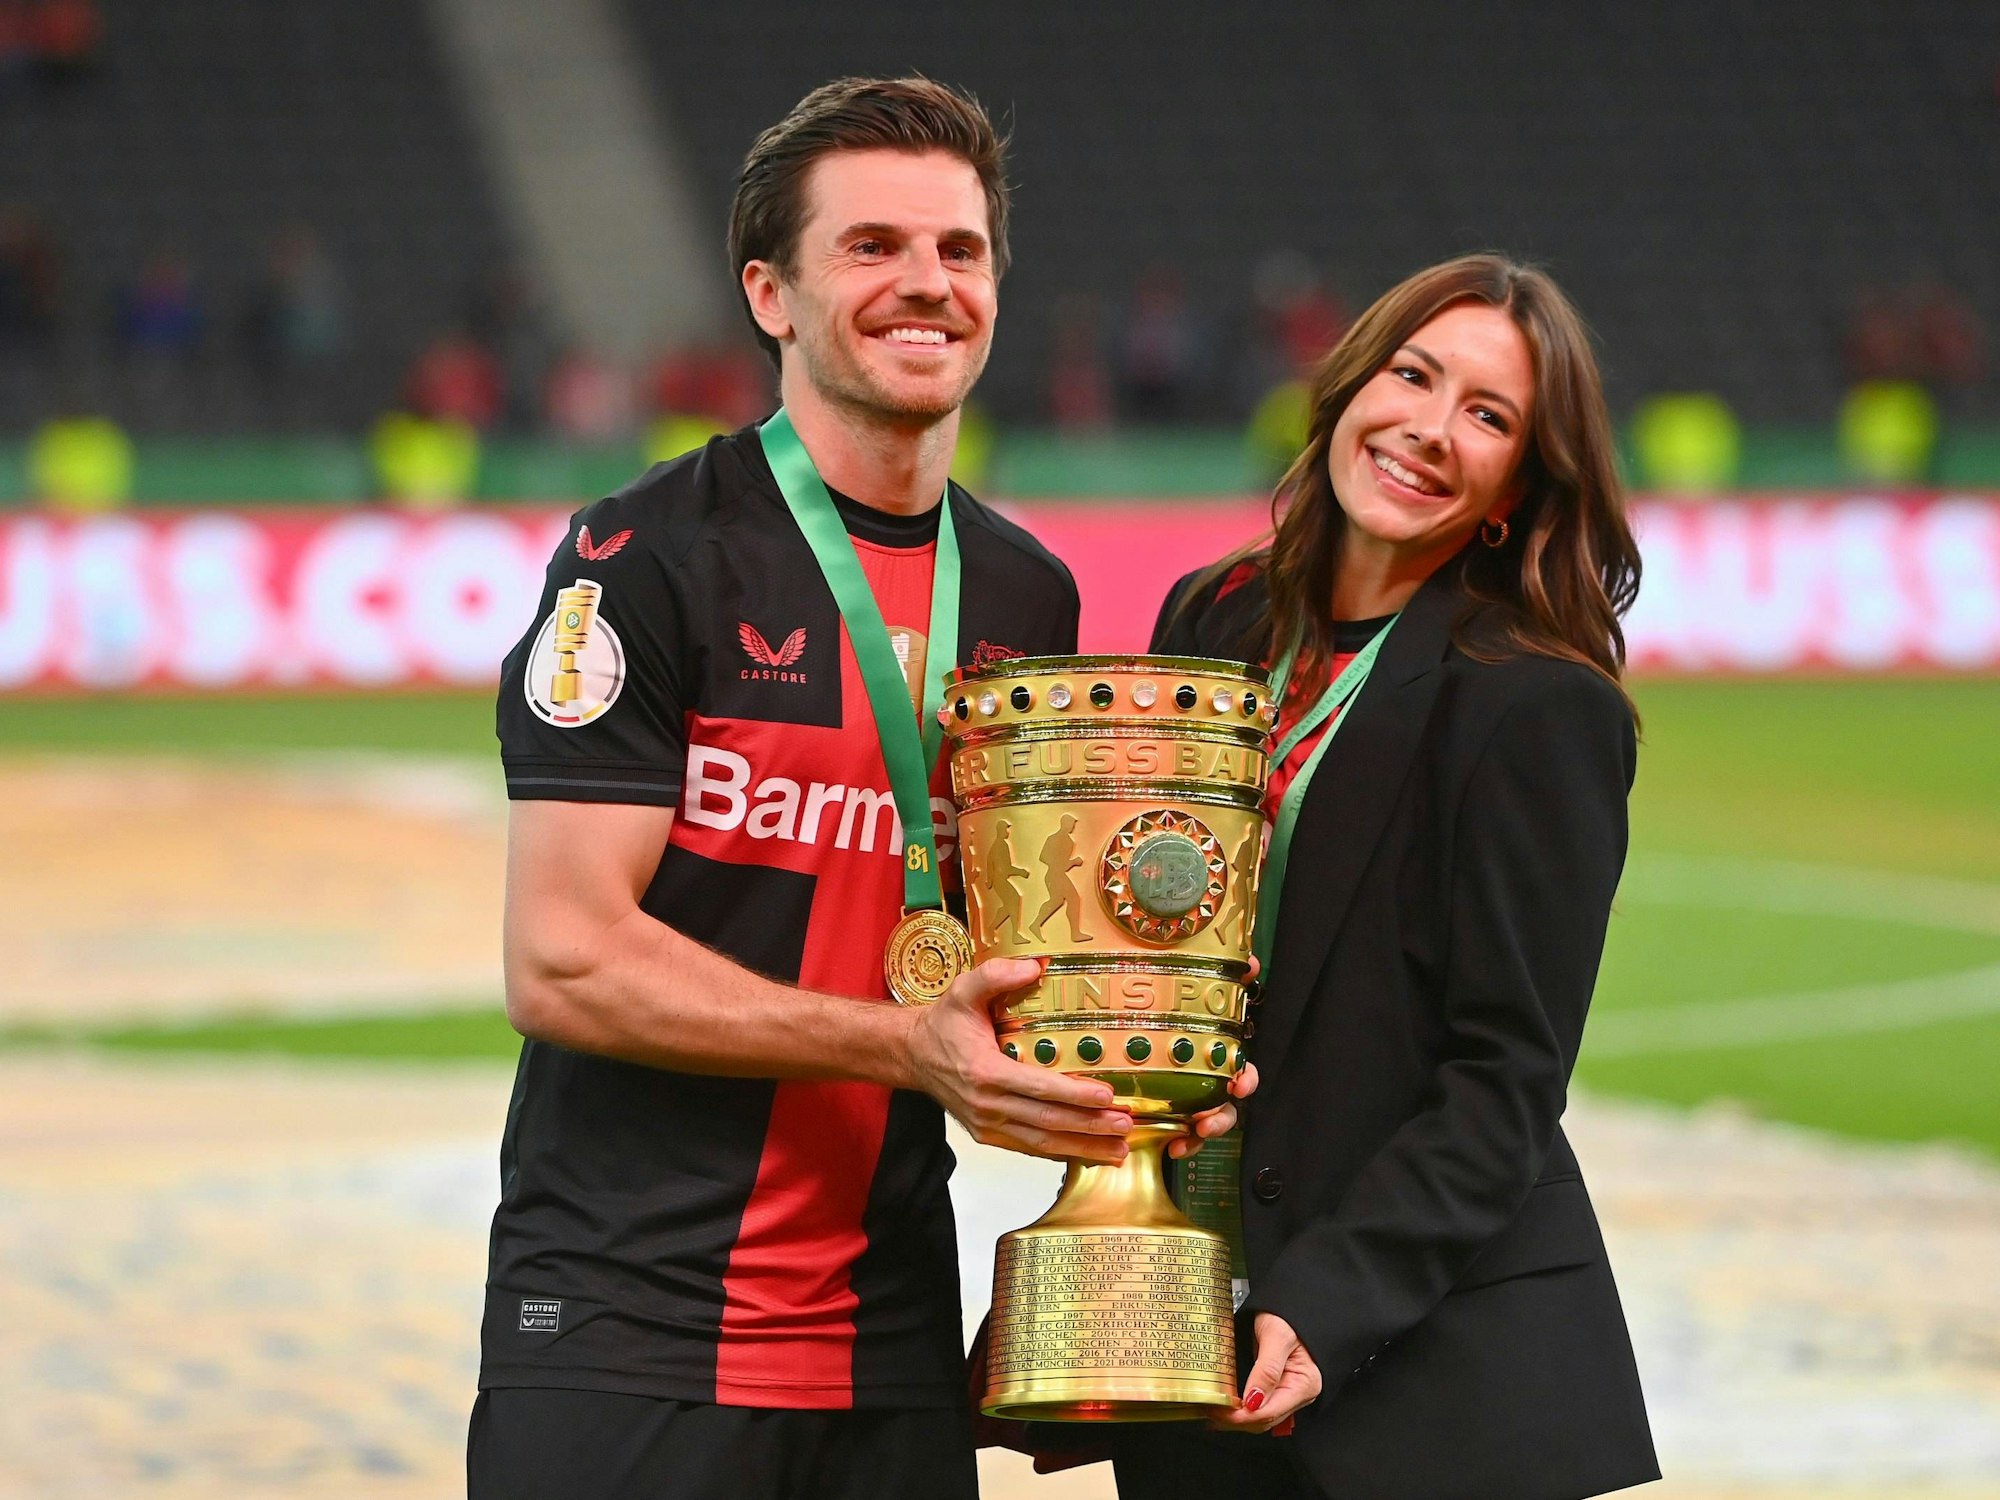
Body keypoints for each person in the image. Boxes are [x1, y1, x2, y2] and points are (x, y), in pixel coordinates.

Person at [468, 77, 1244, 1500]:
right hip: (629, 1321)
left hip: (890, 1338)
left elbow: (1032, 964)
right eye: (871, 246)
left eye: (960, 250)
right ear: (770, 294)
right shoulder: (645, 562)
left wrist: (1134, 1113)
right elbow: (563, 959)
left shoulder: (1024, 595)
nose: (926, 283)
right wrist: (905, 1047)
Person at [1118, 254, 1658, 1500]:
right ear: (1348, 387)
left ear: (1516, 488)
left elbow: (1502, 1081)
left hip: (1427, 1378)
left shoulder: (1534, 704)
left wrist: (1325, 1301)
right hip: (1194, 1337)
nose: (1428, 427)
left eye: (1487, 415)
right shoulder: (1212, 619)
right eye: (1412, 376)